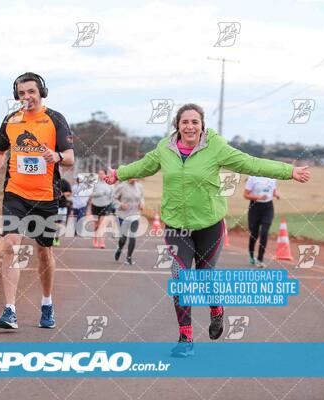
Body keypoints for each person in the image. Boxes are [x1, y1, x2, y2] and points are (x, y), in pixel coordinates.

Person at [102, 103, 310, 357]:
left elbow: (250, 164)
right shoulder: (164, 149)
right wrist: (118, 174)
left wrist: (289, 171)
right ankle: (185, 338)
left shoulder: (216, 147)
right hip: (176, 225)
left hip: (209, 225)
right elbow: (144, 166)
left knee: (204, 278)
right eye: (185, 122)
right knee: (180, 279)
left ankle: (216, 309)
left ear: (202, 125)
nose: (190, 126)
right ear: (177, 126)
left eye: (195, 122)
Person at [0, 72, 74, 330]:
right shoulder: (11, 120)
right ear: (17, 96)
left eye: (31, 92)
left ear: (41, 92)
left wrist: (55, 156)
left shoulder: (55, 119)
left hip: (46, 196)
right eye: (22, 93)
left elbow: (69, 156)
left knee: (43, 251)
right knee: (11, 245)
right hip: (15, 193)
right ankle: (9, 311)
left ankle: (46, 302)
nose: (27, 97)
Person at [244, 176, 280, 268]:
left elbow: (273, 191)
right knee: (254, 234)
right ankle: (251, 255)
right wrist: (258, 197)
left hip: (268, 208)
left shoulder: (273, 178)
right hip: (255, 207)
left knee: (264, 233)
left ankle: (260, 259)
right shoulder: (253, 178)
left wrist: (276, 194)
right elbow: (245, 195)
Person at [113, 178, 144, 265]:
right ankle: (119, 249)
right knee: (123, 238)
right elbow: (113, 199)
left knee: (133, 237)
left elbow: (141, 197)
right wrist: (121, 205)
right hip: (123, 216)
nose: (135, 177)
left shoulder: (139, 186)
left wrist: (142, 203)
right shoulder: (121, 186)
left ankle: (128, 258)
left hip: (135, 215)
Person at [89, 170, 114, 248]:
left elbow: (113, 194)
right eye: (99, 174)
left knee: (102, 225)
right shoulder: (94, 183)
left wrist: (110, 198)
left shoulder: (110, 184)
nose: (100, 175)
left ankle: (102, 242)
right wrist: (99, 193)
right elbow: (90, 194)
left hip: (105, 205)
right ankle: (95, 238)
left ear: (105, 174)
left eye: (102, 174)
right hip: (95, 205)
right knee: (96, 225)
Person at [53, 178, 72, 246]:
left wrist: (62, 194)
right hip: (52, 206)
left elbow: (69, 193)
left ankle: (56, 239)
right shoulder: (51, 180)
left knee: (58, 224)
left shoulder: (65, 182)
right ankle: (52, 237)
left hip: (62, 207)